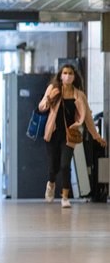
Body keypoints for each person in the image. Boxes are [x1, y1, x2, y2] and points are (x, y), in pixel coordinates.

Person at [38, 64, 106, 208]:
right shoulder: (53, 89)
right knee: (53, 167)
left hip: (69, 134)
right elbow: (41, 107)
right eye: (65, 73)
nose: (67, 76)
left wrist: (96, 136)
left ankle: (65, 197)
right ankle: (51, 183)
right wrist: (50, 99)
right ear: (61, 75)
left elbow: (87, 117)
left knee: (65, 165)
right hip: (53, 132)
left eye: (70, 73)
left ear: (74, 77)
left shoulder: (79, 95)